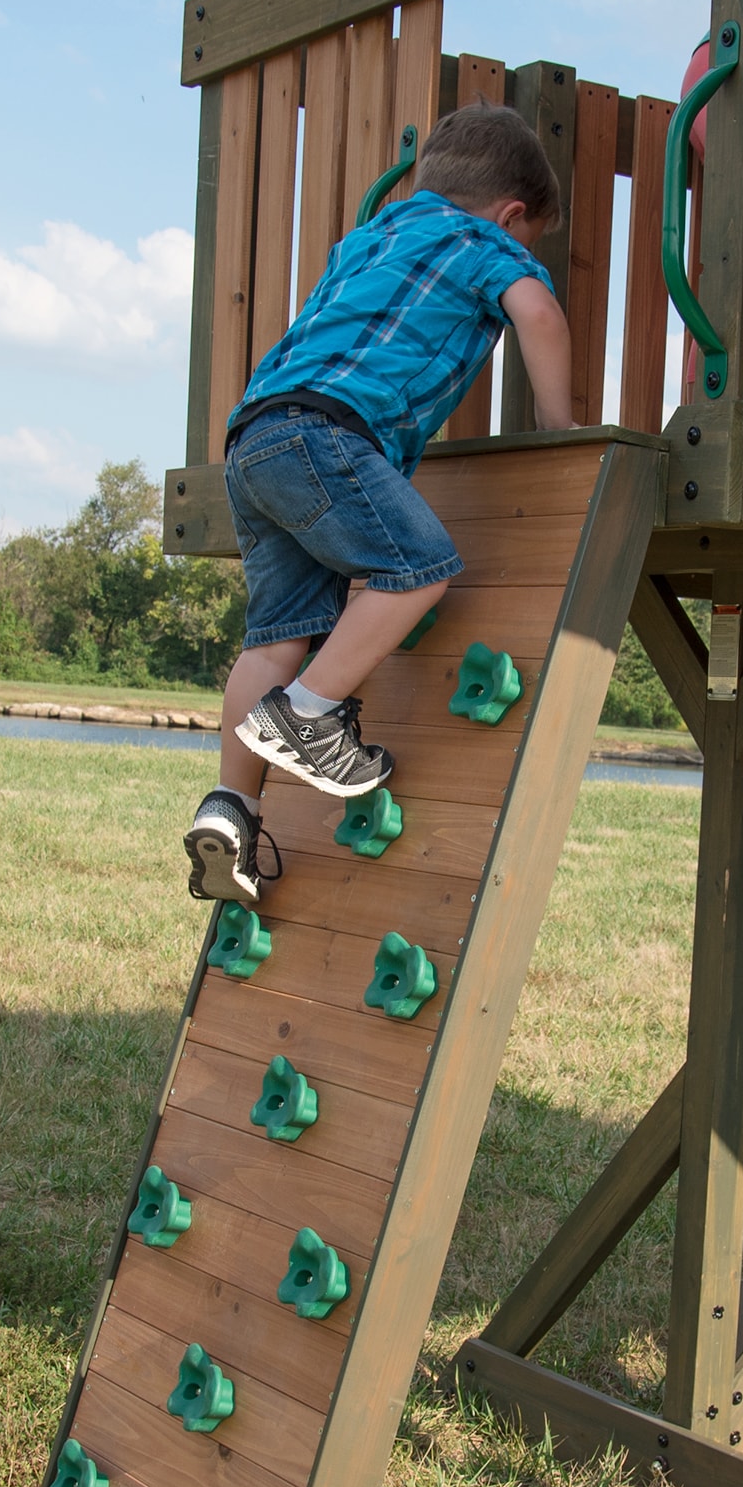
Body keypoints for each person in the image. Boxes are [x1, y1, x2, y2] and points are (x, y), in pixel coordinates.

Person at [184, 101, 573, 905]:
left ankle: (232, 809)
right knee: (417, 568)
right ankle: (308, 717)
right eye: (529, 239)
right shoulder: (484, 243)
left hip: (254, 439)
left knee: (277, 635)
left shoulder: (366, 238)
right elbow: (536, 310)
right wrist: (562, 428)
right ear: (512, 215)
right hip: (329, 434)